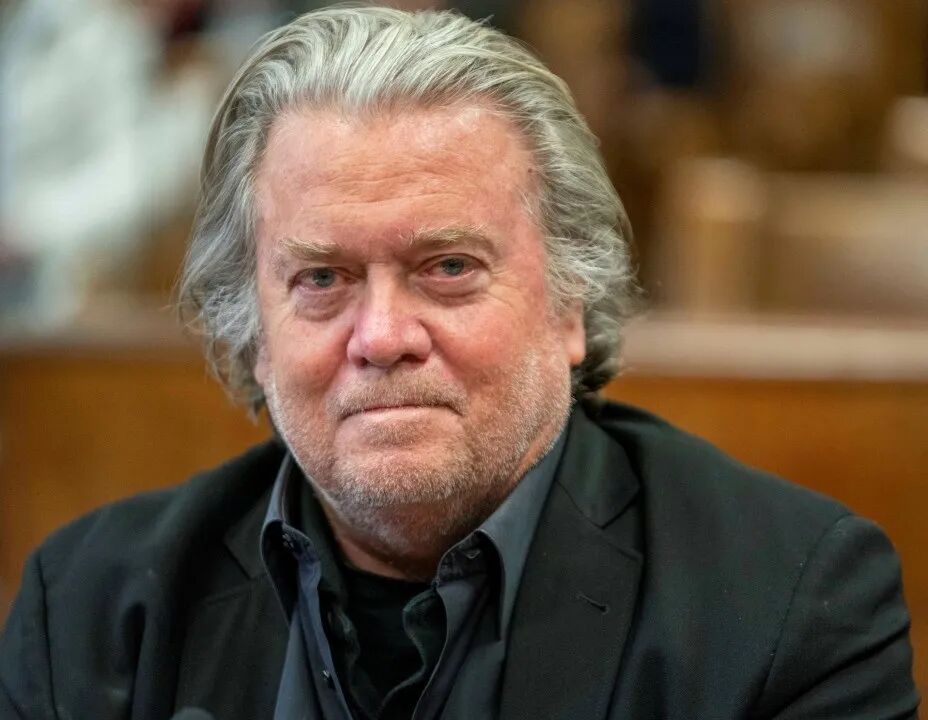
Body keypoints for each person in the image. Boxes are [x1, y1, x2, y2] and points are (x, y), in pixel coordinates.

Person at [0, 7, 919, 720]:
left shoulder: (791, 603)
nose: (382, 335)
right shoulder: (89, 611)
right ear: (253, 334)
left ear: (570, 303)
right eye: (322, 278)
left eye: (448, 268)